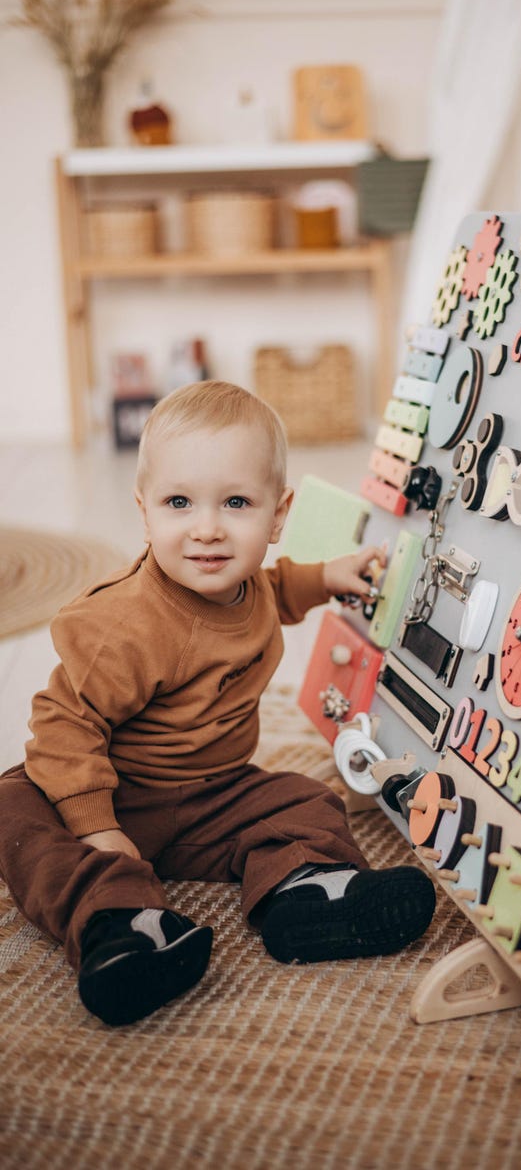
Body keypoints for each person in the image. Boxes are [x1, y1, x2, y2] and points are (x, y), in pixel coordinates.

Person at [0, 382, 435, 1027]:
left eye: (236, 503)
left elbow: (274, 589)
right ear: (144, 510)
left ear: (278, 515)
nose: (207, 529)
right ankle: (123, 924)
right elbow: (64, 726)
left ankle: (306, 893)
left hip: (213, 795)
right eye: (179, 503)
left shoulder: (245, 583)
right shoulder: (122, 625)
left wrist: (327, 578)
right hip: (118, 794)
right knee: (16, 811)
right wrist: (94, 822)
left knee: (305, 798)